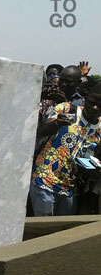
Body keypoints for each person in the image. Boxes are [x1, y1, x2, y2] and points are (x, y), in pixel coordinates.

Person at [30, 84, 101, 216]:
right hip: (44, 179)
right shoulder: (66, 108)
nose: (95, 108)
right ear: (85, 98)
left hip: (70, 189)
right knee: (42, 228)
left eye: (100, 105)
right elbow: (42, 131)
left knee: (62, 231)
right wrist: (57, 123)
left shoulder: (100, 128)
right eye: (92, 103)